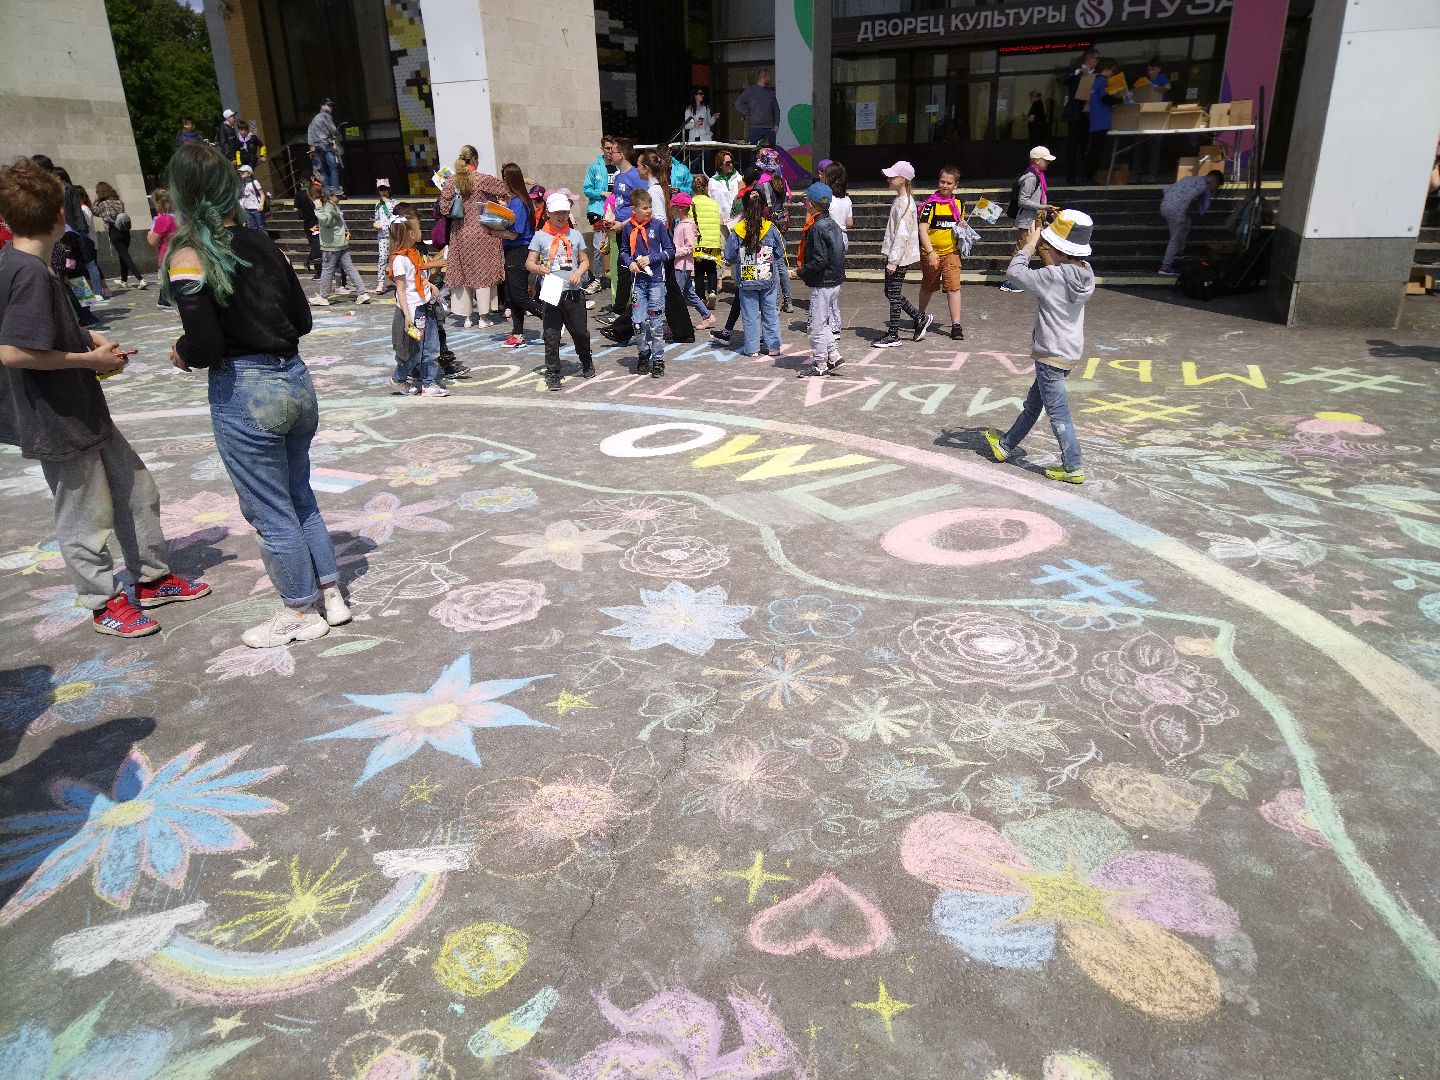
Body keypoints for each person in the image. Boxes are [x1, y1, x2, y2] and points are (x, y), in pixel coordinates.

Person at [0, 156, 210, 639]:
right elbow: (12, 351)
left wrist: (87, 342)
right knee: (84, 515)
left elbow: (38, 333)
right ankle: (104, 603)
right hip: (57, 419)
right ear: (61, 214)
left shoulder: (24, 264)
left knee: (136, 490)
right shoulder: (28, 272)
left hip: (81, 409)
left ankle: (152, 579)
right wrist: (87, 360)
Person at [162, 142, 349, 647]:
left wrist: (181, 351)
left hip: (247, 388)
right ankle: (331, 594)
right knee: (298, 492)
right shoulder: (264, 244)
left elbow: (204, 343)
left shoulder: (189, 255)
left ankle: (299, 611)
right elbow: (302, 319)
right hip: (295, 379)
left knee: (269, 508)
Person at [984, 209, 1095, 485]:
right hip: (1069, 352)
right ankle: (1006, 445)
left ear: (1057, 249)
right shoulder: (1086, 273)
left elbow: (1014, 273)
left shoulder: (1052, 276)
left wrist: (1030, 244)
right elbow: (1058, 264)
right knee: (1034, 403)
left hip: (1050, 354)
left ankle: (1073, 466)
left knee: (1058, 413)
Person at [526, 192, 593, 391]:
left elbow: (584, 261)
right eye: (557, 213)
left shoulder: (575, 235)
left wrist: (579, 273)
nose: (561, 216)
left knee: (580, 332)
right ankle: (553, 371)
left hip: (573, 290)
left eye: (564, 212)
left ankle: (586, 360)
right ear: (548, 213)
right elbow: (529, 262)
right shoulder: (540, 236)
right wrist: (538, 268)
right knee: (551, 333)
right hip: (552, 288)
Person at [437, 144, 508, 328]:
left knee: (463, 274)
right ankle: (483, 317)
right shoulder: (482, 179)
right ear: (474, 159)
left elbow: (443, 209)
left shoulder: (451, 182)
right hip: (482, 232)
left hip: (460, 233)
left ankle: (467, 318)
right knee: (482, 273)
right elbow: (505, 190)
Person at [387, 210, 447, 396]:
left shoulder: (413, 254)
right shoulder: (400, 259)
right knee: (417, 351)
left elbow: (418, 276)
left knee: (431, 347)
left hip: (425, 305)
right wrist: (406, 315)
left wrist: (431, 286)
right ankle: (399, 378)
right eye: (419, 229)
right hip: (415, 311)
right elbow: (401, 290)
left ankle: (428, 383)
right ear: (411, 234)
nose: (422, 231)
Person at [723, 188, 784, 358]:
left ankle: (752, 348)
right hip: (767, 276)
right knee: (770, 312)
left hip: (747, 277)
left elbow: (729, 255)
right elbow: (780, 250)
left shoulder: (738, 229)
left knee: (750, 315)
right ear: (763, 205)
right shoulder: (770, 228)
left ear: (744, 207)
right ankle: (773, 346)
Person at [619, 190, 672, 376]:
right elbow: (624, 251)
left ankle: (658, 359)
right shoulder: (628, 228)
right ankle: (643, 352)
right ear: (633, 209)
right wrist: (630, 263)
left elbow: (669, 251)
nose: (648, 211)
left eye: (650, 207)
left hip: (656, 281)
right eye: (644, 208)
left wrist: (651, 258)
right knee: (638, 323)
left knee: (656, 323)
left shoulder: (658, 226)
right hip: (638, 282)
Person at [487, 162, 541, 348]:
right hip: (516, 250)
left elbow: (514, 234)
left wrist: (492, 231)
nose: (502, 182)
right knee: (513, 295)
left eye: (504, 178)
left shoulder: (518, 202)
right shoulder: (518, 200)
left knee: (519, 297)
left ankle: (552, 318)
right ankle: (517, 333)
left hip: (518, 250)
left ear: (510, 180)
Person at [796, 182, 845, 378]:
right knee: (823, 321)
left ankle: (820, 364)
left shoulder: (817, 228)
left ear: (812, 204)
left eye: (806, 200)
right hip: (834, 280)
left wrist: (800, 272)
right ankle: (834, 355)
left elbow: (819, 260)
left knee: (815, 325)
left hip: (822, 282)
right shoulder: (833, 224)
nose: (805, 202)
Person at [916, 165, 966, 341]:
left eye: (949, 183)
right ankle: (920, 315)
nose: (944, 185)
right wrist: (930, 252)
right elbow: (922, 230)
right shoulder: (930, 205)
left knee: (953, 287)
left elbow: (958, 223)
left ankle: (956, 325)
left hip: (952, 252)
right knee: (928, 286)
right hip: (932, 253)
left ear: (956, 185)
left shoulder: (959, 204)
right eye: (942, 181)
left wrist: (963, 225)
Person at [877, 160, 923, 349]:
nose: (888, 179)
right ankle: (919, 317)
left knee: (893, 294)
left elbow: (902, 235)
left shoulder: (905, 203)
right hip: (896, 255)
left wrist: (893, 261)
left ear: (903, 179)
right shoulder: (900, 200)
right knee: (890, 292)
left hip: (900, 257)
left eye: (892, 176)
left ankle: (894, 334)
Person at [1001, 146, 1059, 294]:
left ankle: (1056, 276)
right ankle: (1010, 281)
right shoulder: (1032, 177)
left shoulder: (1037, 175)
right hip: (1028, 220)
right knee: (1022, 249)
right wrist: (1044, 207)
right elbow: (1023, 201)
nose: (1048, 163)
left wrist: (1044, 210)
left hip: (1036, 219)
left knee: (1043, 246)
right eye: (1046, 160)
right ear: (1037, 160)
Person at [311, 189, 370, 305]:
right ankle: (362, 293)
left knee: (327, 270)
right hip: (341, 242)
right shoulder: (335, 206)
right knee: (350, 268)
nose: (339, 199)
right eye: (338, 197)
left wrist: (318, 207)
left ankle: (323, 296)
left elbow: (326, 221)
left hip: (331, 244)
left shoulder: (328, 206)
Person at [1158, 170, 1222, 276]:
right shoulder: (1202, 185)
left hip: (1165, 205)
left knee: (1187, 223)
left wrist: (1168, 201)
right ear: (1214, 181)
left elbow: (1167, 189)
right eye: (1217, 186)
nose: (1214, 189)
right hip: (1175, 210)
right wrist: (1180, 214)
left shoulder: (1189, 178)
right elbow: (1187, 198)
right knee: (1174, 239)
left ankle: (1179, 250)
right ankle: (1165, 266)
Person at [668, 192, 712, 329]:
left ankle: (674, 323)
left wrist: (674, 253)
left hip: (681, 266)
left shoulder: (686, 226)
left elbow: (689, 247)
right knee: (689, 293)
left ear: (680, 209)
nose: (671, 210)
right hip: (680, 265)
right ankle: (707, 316)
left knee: (676, 295)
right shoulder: (681, 224)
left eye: (673, 207)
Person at [92, 181, 146, 288]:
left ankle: (141, 279)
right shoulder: (119, 202)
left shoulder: (103, 204)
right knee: (123, 255)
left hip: (114, 231)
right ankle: (123, 280)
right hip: (125, 230)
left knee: (125, 256)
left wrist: (96, 200)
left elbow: (94, 211)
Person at [583, 135, 617, 291]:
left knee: (615, 245)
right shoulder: (594, 167)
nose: (610, 151)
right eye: (607, 148)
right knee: (598, 246)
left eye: (612, 148)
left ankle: (616, 275)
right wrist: (602, 193)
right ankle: (597, 278)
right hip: (597, 209)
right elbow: (586, 189)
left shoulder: (619, 167)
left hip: (615, 210)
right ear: (602, 149)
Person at [1062, 49, 1100, 185]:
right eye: (1095, 58)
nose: (1097, 61)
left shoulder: (1097, 74)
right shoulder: (1076, 72)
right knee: (1072, 146)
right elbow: (1064, 80)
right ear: (1088, 58)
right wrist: (1079, 72)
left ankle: (1086, 176)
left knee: (1086, 146)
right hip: (1076, 114)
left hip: (1089, 114)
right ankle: (1071, 177)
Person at [760, 170, 794, 312]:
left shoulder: (764, 186)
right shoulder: (782, 182)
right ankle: (788, 301)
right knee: (781, 266)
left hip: (769, 227)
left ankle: (775, 303)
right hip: (781, 225)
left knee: (772, 266)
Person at [1087, 58, 1126, 183]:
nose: (1112, 74)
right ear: (1107, 69)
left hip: (1095, 120)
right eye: (1112, 71)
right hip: (1102, 120)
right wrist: (1121, 99)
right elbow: (1106, 99)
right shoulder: (1102, 81)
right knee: (1097, 151)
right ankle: (1091, 176)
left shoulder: (1094, 81)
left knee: (1094, 149)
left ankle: (1089, 175)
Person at [73, 187, 113, 301]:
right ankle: (96, 291)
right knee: (90, 266)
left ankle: (97, 291)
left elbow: (85, 225)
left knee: (91, 266)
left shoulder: (83, 209)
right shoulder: (82, 208)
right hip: (86, 241)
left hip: (87, 242)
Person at [689, 176, 723, 307]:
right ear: (706, 187)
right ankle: (712, 291)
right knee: (712, 269)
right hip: (713, 242)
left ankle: (700, 297)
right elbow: (720, 221)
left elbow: (690, 223)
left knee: (699, 271)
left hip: (699, 242)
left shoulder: (691, 203)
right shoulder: (713, 203)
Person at [735, 69, 780, 154]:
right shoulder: (750, 90)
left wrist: (776, 124)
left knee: (770, 154)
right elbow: (738, 102)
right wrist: (747, 113)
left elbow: (776, 109)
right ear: (764, 77)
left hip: (769, 129)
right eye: (769, 77)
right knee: (754, 153)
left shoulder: (771, 93)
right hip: (754, 128)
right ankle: (753, 163)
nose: (770, 79)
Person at [147, 187, 178, 306]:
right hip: (178, 253)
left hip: (166, 254)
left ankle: (166, 300)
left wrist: (149, 234)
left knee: (167, 281)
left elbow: (152, 241)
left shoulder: (163, 220)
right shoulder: (178, 217)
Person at [307, 98, 342, 194]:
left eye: (331, 106)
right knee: (333, 168)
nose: (330, 108)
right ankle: (335, 190)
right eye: (328, 105)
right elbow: (333, 130)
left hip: (317, 147)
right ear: (322, 106)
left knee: (323, 170)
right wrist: (336, 137)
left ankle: (327, 191)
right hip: (327, 145)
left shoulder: (314, 119)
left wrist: (312, 146)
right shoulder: (326, 116)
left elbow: (310, 134)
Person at [371, 180, 396, 295]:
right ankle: (380, 283)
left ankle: (398, 280)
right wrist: (376, 224)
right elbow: (376, 219)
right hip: (382, 236)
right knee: (382, 258)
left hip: (394, 235)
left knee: (395, 259)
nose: (383, 192)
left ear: (389, 190)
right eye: (381, 189)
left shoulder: (394, 203)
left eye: (385, 189)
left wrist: (387, 203)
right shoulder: (378, 205)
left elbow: (396, 217)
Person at [822, 162, 853, 250]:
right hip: (843, 238)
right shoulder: (847, 199)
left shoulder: (827, 199)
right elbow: (850, 223)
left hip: (829, 236)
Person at [684, 88, 715, 172]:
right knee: (695, 162)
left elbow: (709, 123)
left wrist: (714, 118)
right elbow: (686, 126)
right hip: (695, 138)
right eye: (700, 94)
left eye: (702, 94)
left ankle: (709, 177)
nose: (702, 95)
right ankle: (694, 178)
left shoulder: (706, 108)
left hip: (706, 138)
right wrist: (694, 124)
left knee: (708, 160)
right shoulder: (689, 109)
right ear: (695, 96)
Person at [296, 180, 322, 278]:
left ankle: (319, 271)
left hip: (310, 224)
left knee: (315, 246)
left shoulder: (300, 194)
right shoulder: (322, 201)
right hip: (318, 224)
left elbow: (295, 208)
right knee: (319, 246)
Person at [708, 148, 742, 225]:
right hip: (721, 222)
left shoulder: (739, 178)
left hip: (738, 221)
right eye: (727, 163)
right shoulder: (713, 181)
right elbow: (712, 202)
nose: (731, 165)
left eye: (731, 162)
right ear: (720, 165)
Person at [237, 165, 267, 234]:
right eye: (240, 171)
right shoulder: (241, 184)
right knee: (253, 228)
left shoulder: (254, 182)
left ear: (249, 174)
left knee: (261, 227)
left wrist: (261, 205)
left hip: (256, 209)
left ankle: (265, 240)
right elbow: (241, 196)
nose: (241, 173)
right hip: (247, 210)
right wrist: (242, 206)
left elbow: (262, 194)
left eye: (243, 171)